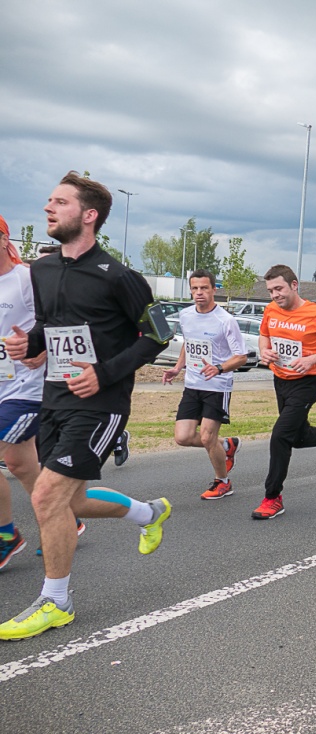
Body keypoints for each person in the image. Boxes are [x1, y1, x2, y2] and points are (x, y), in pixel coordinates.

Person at [0, 173, 173, 640]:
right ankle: (148, 513)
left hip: (101, 403)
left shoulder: (120, 276)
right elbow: (52, 325)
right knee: (69, 501)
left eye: (59, 202)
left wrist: (106, 372)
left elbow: (160, 334)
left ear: (89, 215)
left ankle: (55, 601)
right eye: (48, 201)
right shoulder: (44, 269)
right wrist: (29, 343)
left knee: (45, 496)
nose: (47, 209)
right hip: (53, 398)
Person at [253, 264, 316, 520]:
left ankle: (272, 497)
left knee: (280, 436)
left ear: (294, 285)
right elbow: (264, 336)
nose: (275, 295)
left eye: (279, 288)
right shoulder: (271, 310)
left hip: (308, 382)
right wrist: (264, 351)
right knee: (296, 438)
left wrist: (312, 359)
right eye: (270, 290)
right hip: (281, 380)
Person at [161, 269, 247, 500]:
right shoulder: (186, 315)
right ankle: (227, 446)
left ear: (213, 290)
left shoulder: (225, 320)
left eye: (204, 288)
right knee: (183, 437)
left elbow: (241, 357)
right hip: (193, 385)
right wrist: (178, 368)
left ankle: (223, 482)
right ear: (190, 290)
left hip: (217, 386)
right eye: (195, 288)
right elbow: (188, 344)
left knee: (208, 438)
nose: (199, 293)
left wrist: (218, 368)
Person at [0, 214, 46, 572]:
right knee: (21, 464)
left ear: (5, 239)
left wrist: (44, 349)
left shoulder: (27, 278)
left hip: (26, 386)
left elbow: (63, 317)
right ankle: (63, 516)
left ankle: (7, 535)